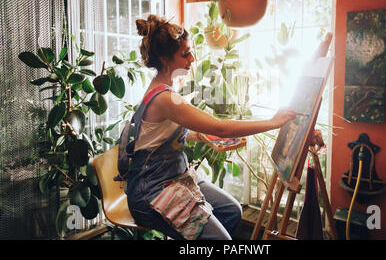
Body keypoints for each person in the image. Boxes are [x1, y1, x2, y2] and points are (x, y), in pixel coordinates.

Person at [126, 14, 297, 240]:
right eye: (185, 54)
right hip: (151, 192)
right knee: (222, 240)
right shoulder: (164, 98)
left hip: (173, 178)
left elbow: (162, 133)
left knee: (231, 211)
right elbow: (222, 128)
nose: (192, 58)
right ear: (164, 59)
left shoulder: (165, 89)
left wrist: (199, 135)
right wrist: (273, 122)